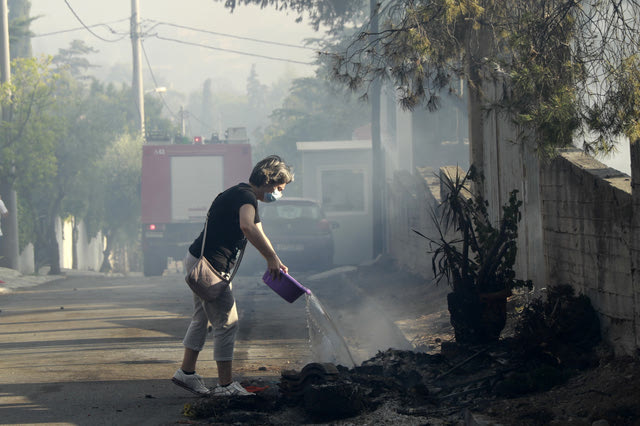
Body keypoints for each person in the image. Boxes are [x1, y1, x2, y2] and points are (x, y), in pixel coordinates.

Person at [172, 155, 294, 397]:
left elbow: (258, 230)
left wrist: (275, 259)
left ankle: (186, 373)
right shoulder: (245, 197)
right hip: (209, 267)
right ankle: (226, 386)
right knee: (228, 322)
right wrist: (269, 258)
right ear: (268, 180)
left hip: (200, 261)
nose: (279, 194)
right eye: (279, 188)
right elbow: (247, 227)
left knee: (202, 318)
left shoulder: (243, 194)